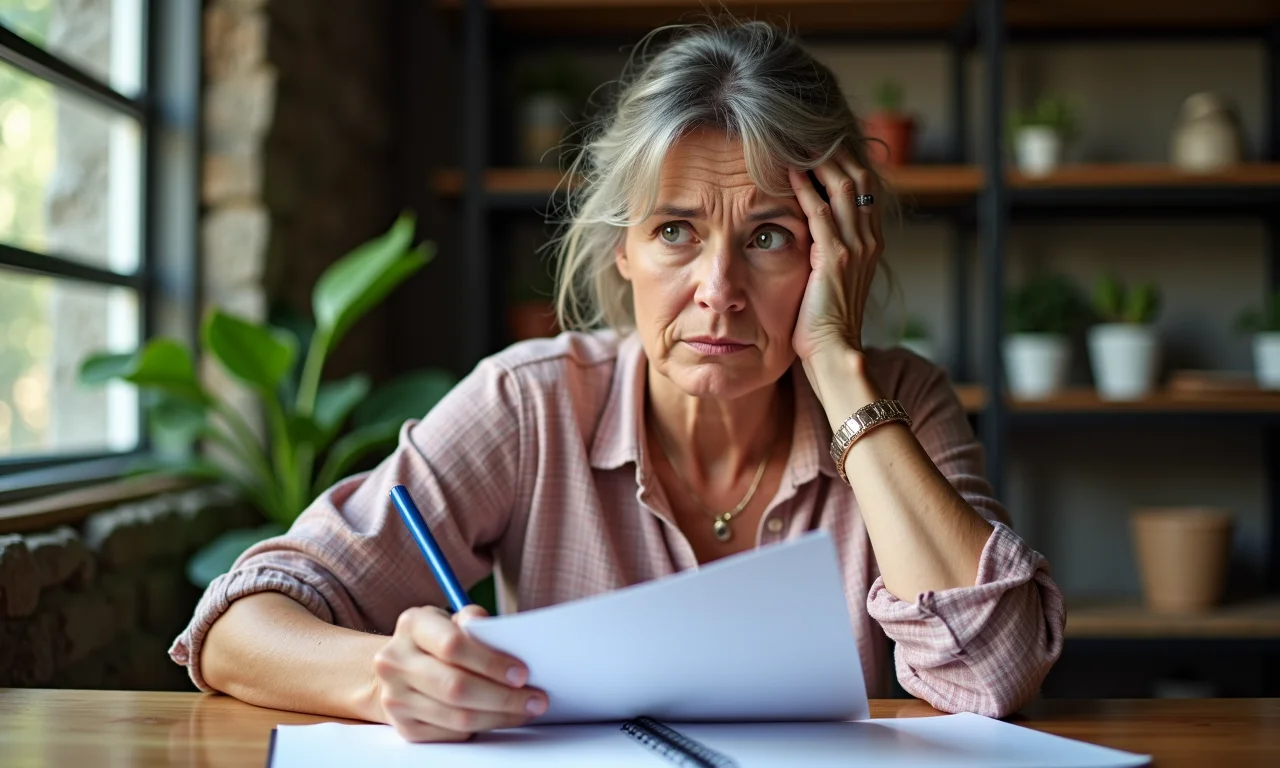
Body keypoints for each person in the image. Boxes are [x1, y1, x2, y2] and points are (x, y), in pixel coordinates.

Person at [171, 17, 1065, 742]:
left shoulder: (899, 401)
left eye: (769, 236)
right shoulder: (530, 402)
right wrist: (388, 679)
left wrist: (836, 364)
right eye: (675, 231)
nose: (718, 290)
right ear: (622, 250)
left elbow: (993, 673)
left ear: (838, 254)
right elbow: (238, 626)